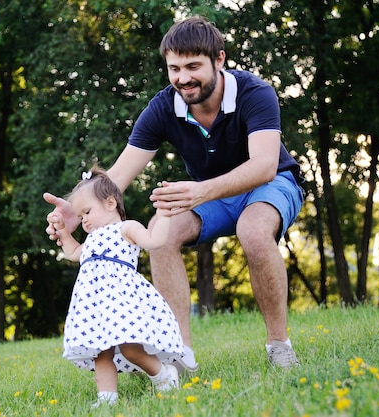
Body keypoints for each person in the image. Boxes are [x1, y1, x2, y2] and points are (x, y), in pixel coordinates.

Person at [44, 16, 304, 369]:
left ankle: (278, 345)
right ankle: (179, 352)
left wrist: (202, 190)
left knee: (253, 230)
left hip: (269, 185)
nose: (183, 78)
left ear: (219, 60)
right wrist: (79, 210)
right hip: (207, 195)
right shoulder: (164, 107)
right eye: (174, 68)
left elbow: (264, 165)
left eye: (193, 66)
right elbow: (116, 177)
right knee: (160, 235)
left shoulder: (254, 93)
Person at [47, 165, 184, 407]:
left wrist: (163, 216)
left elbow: (154, 241)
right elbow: (74, 253)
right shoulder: (90, 239)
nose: (84, 220)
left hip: (122, 301)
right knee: (101, 353)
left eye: (87, 212)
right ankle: (107, 399)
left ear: (110, 203)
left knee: (130, 349)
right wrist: (63, 234)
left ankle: (163, 374)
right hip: (97, 306)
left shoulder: (126, 228)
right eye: (80, 217)